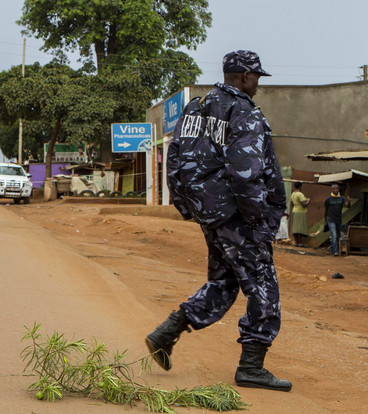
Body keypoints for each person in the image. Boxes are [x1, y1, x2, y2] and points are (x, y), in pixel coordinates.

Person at [151, 50, 291, 392]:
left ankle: (166, 333)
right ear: (243, 76)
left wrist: (188, 207)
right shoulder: (243, 112)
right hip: (240, 216)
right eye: (256, 77)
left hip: (210, 214)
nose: (258, 83)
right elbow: (245, 173)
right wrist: (258, 218)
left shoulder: (195, 109)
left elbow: (174, 157)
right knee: (263, 288)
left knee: (224, 282)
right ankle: (251, 367)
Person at [323, 184, 350, 256]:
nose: (336, 190)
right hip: (331, 219)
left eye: (337, 189)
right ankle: (336, 251)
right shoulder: (328, 199)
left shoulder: (341, 198)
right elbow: (325, 211)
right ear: (332, 190)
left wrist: (348, 201)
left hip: (338, 220)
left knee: (337, 235)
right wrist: (325, 221)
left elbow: (347, 205)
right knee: (334, 235)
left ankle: (332, 248)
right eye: (334, 189)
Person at [290, 182, 310, 247]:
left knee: (295, 228)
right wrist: (308, 200)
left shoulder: (293, 194)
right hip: (300, 212)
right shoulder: (300, 194)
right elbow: (304, 204)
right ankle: (300, 243)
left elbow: (292, 204)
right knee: (299, 228)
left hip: (294, 211)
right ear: (300, 186)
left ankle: (296, 242)